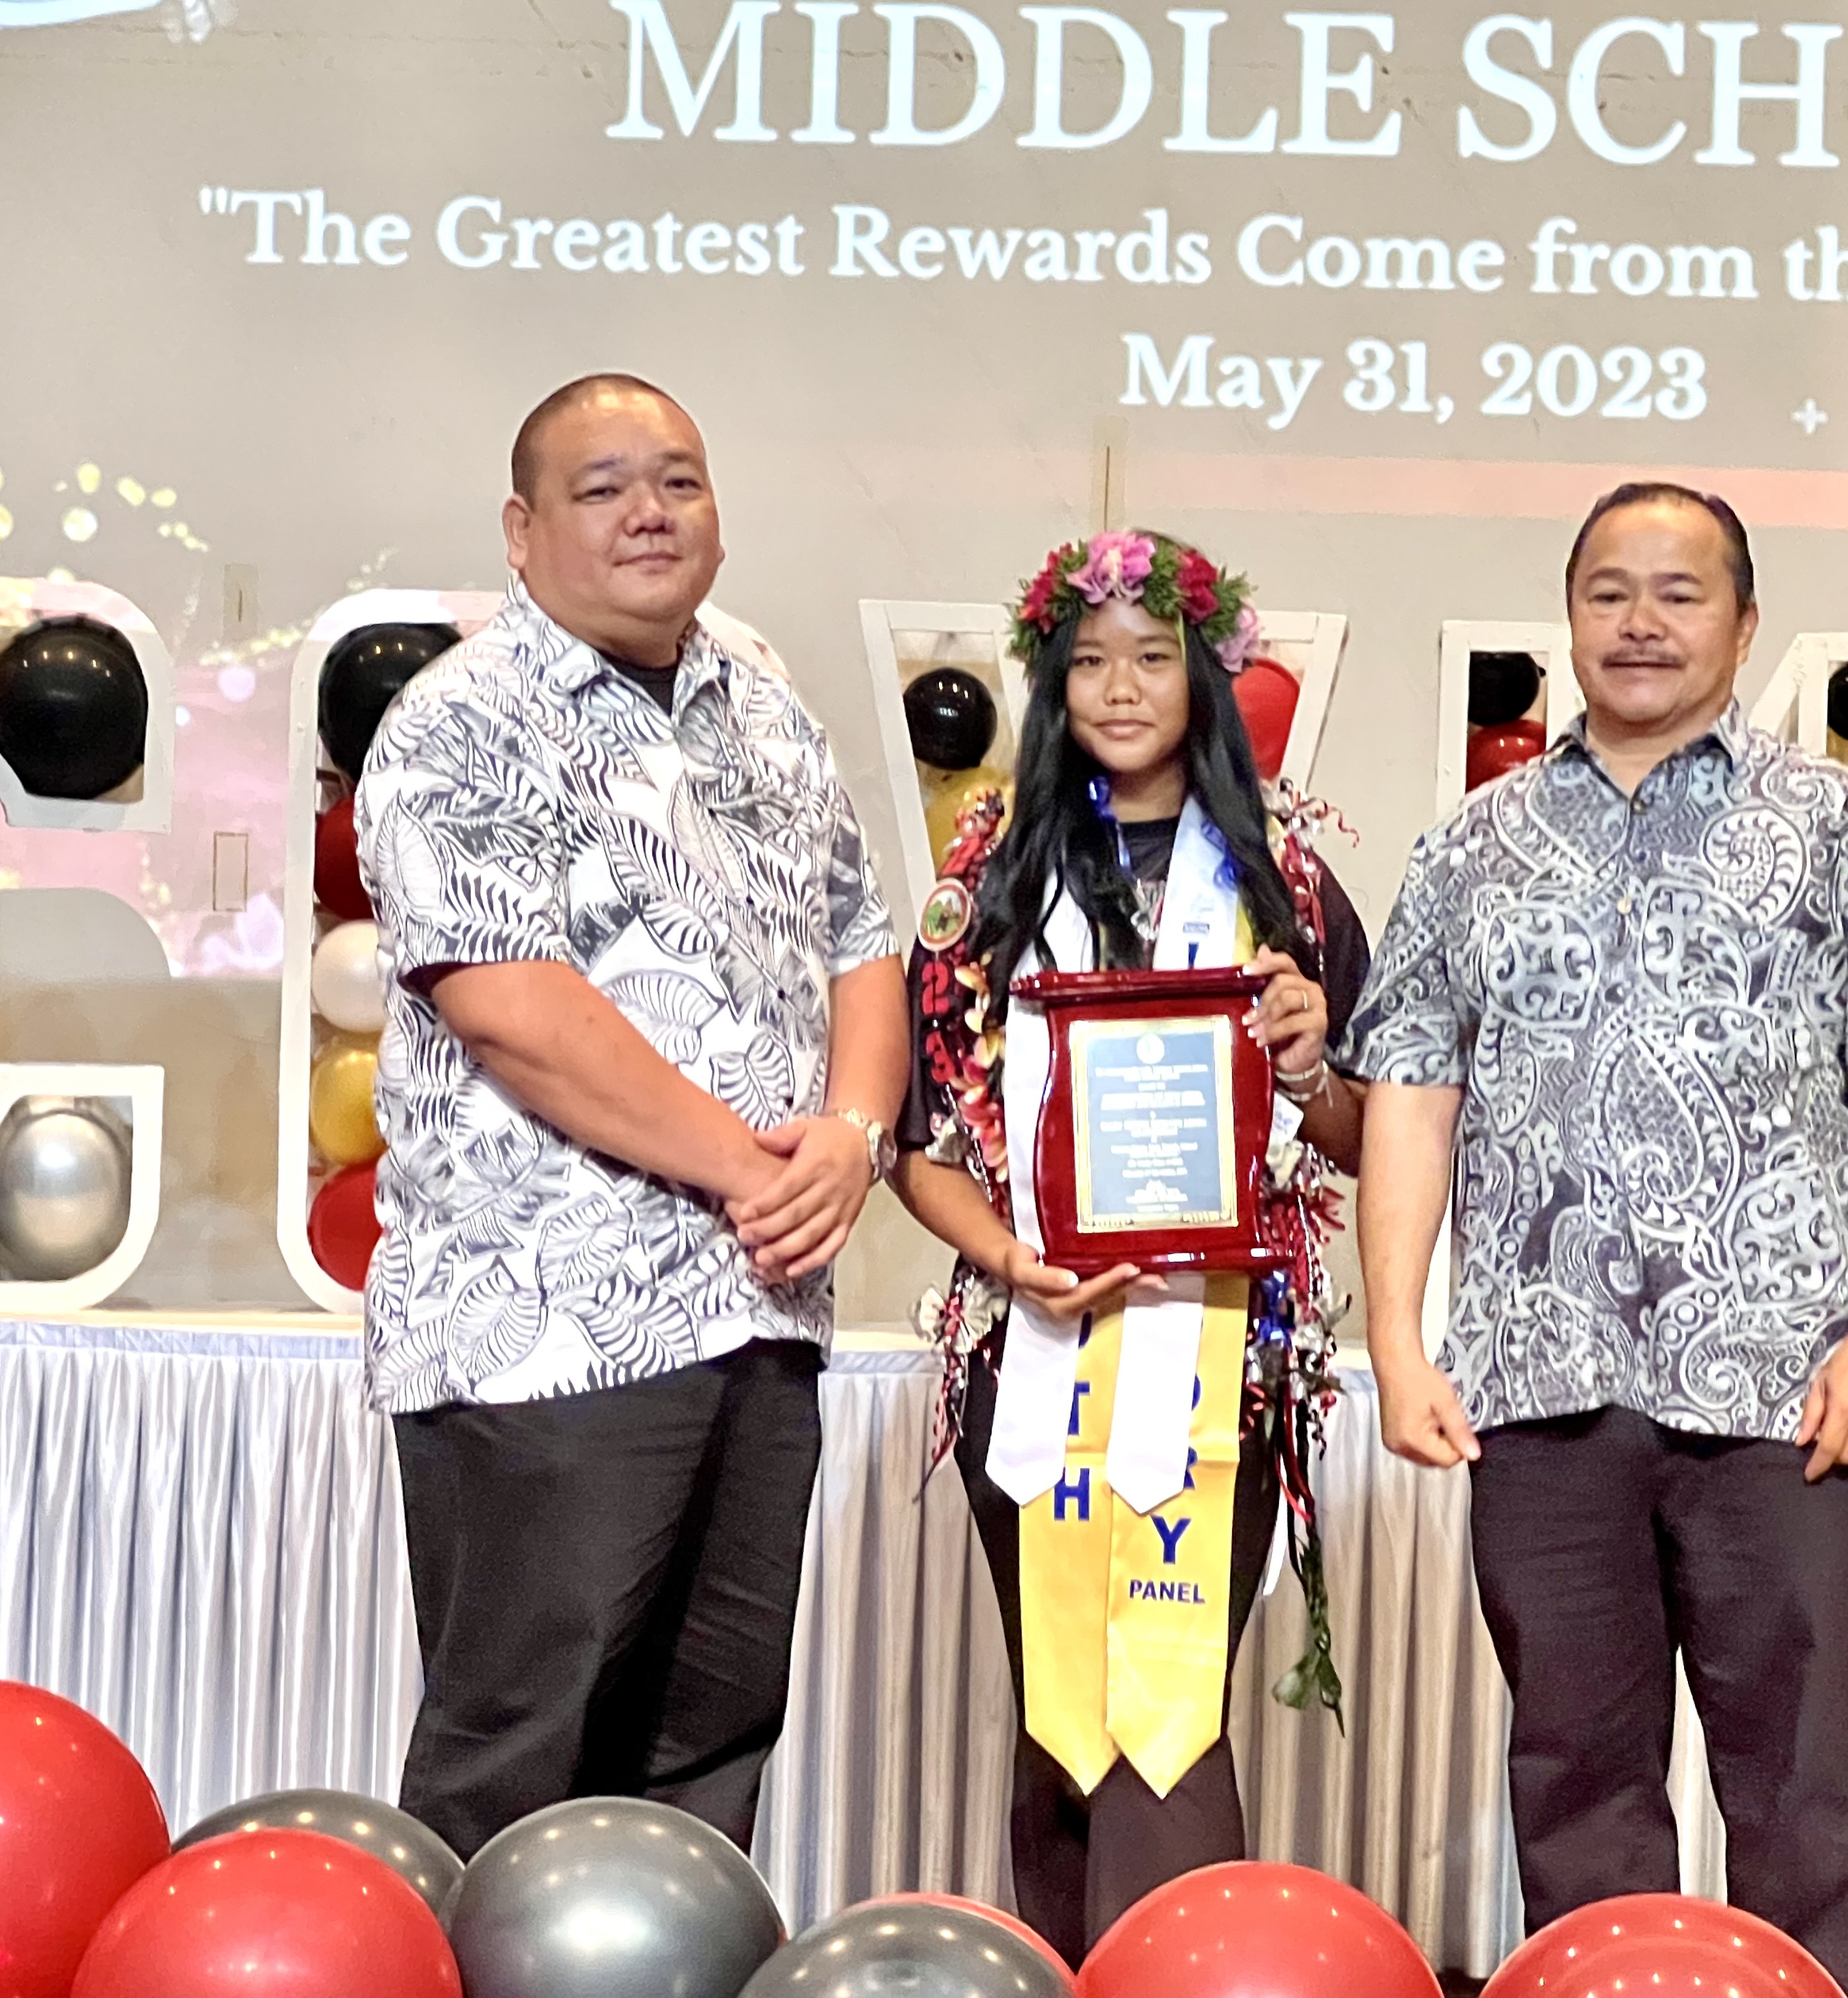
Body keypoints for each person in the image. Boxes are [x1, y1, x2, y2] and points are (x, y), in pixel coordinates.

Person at [1345, 482, 1848, 1998]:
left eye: (1680, 593)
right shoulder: (1471, 848)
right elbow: (1413, 1097)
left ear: (1746, 623)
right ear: (1568, 617)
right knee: (1576, 1784)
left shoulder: (1846, 833)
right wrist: (1394, 1336)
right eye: (1609, 591)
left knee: (1799, 1792)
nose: (1641, 622)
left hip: (1788, 1394)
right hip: (1541, 1383)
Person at [355, 373, 907, 1859]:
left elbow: (865, 940)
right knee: (522, 1749)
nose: (650, 512)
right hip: (546, 1322)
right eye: (603, 489)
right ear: (523, 534)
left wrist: (850, 1134)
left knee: (706, 1752)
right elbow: (511, 1009)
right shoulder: (459, 720)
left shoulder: (763, 696)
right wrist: (754, 1169)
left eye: (678, 479)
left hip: (761, 1308)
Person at [892, 531, 1368, 1966]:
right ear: (1050, 683)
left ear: (1209, 679)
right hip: (1029, 1336)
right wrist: (1012, 1260)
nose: (1118, 687)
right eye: (1087, 661)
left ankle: (1174, 1971)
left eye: (1152, 657)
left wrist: (1306, 1070)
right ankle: (1054, 1966)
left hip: (1222, 1355)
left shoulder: (1286, 879)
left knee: (1167, 1696)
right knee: (1060, 1682)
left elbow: (1364, 1133)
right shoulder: (986, 877)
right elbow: (921, 1144)